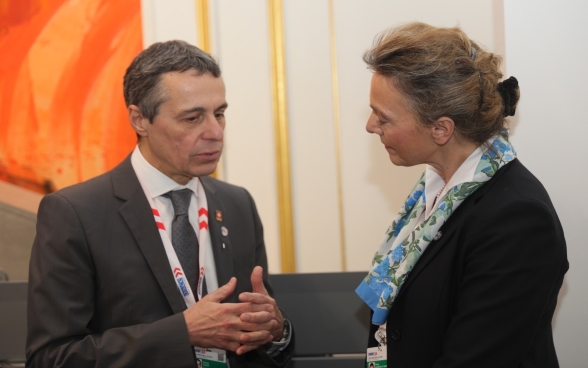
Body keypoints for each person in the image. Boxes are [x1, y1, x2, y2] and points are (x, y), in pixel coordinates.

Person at [26, 40, 292, 367]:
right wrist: (182, 332)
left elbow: (262, 341)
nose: (216, 132)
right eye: (193, 118)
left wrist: (277, 331)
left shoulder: (238, 204)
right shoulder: (75, 214)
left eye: (219, 114)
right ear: (140, 120)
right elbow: (51, 358)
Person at [356, 22, 568, 367]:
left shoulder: (518, 220)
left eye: (384, 117)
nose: (370, 125)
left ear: (441, 129)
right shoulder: (435, 190)